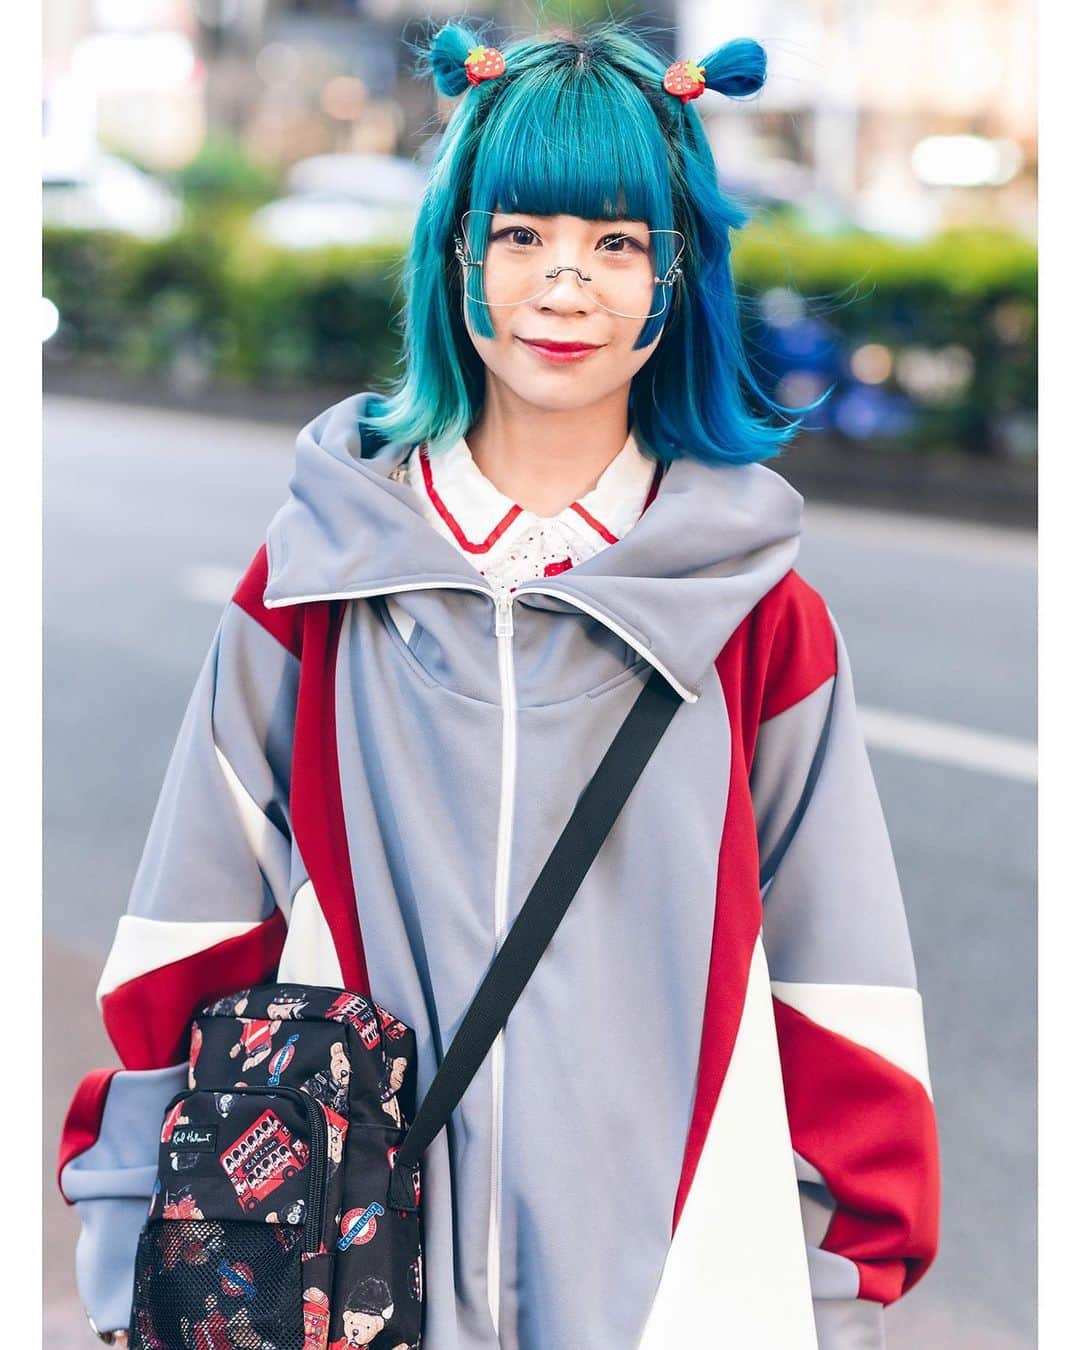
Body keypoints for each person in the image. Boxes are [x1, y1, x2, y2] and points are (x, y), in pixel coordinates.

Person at [56, 17, 940, 1349]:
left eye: (618, 242)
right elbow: (190, 934)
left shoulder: (762, 616)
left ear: (675, 271)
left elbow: (844, 989)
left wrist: (829, 1298)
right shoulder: (314, 587)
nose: (567, 284)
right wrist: (132, 1250)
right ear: (457, 254)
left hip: (679, 1298)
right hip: (338, 1284)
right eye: (521, 233)